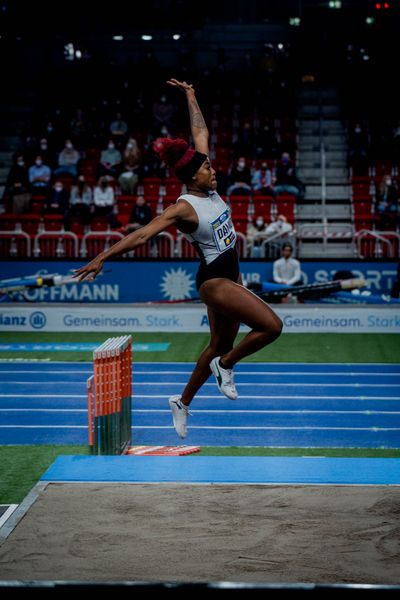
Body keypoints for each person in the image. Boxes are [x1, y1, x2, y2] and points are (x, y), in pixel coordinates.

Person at [74, 78, 282, 439]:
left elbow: (199, 131)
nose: (213, 170)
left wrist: (191, 96)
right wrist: (103, 255)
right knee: (271, 327)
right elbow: (142, 234)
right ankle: (226, 365)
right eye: (207, 169)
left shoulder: (208, 183)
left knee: (218, 343)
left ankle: (182, 402)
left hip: (230, 277)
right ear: (191, 176)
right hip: (215, 282)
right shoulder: (184, 207)